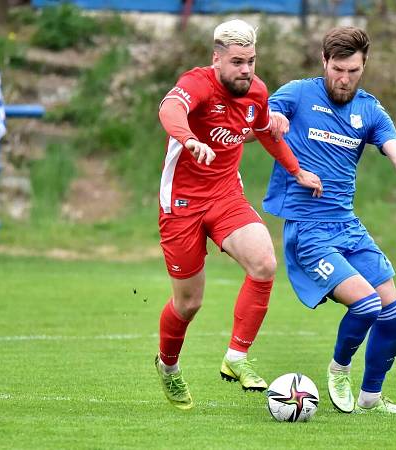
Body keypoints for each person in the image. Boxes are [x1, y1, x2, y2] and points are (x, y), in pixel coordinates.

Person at [154, 19, 322, 410]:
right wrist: (190, 140)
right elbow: (170, 109)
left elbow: (265, 131)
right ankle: (168, 366)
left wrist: (296, 171)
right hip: (180, 204)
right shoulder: (197, 83)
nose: (246, 70)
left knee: (264, 263)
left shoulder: (257, 91)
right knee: (189, 303)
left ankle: (236, 358)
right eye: (237, 62)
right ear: (217, 59)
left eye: (251, 61)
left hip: (226, 195)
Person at [263, 26, 396, 414]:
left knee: (394, 313)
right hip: (308, 230)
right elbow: (261, 119)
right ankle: (339, 369)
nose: (344, 79)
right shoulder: (299, 93)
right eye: (338, 69)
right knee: (367, 305)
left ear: (364, 65)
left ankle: (371, 399)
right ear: (325, 62)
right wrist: (272, 121)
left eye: (353, 71)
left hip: (347, 227)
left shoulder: (369, 109)